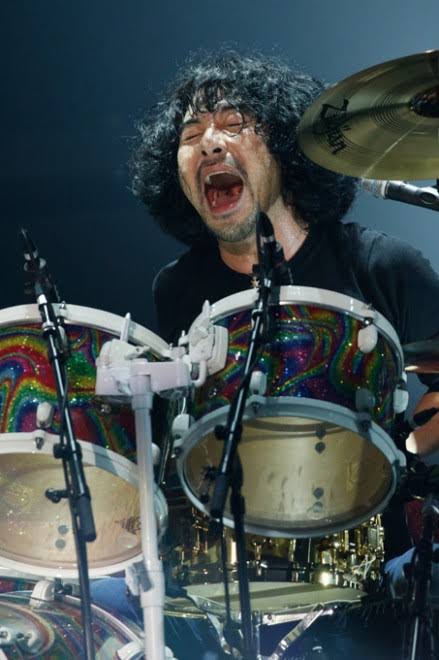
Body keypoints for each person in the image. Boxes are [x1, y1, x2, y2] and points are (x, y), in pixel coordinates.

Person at [93, 50, 439, 657]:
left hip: (375, 571)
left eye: (233, 124)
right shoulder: (178, 289)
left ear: (283, 148)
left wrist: (408, 457)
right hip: (230, 565)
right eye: (191, 136)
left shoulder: (382, 265)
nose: (209, 143)